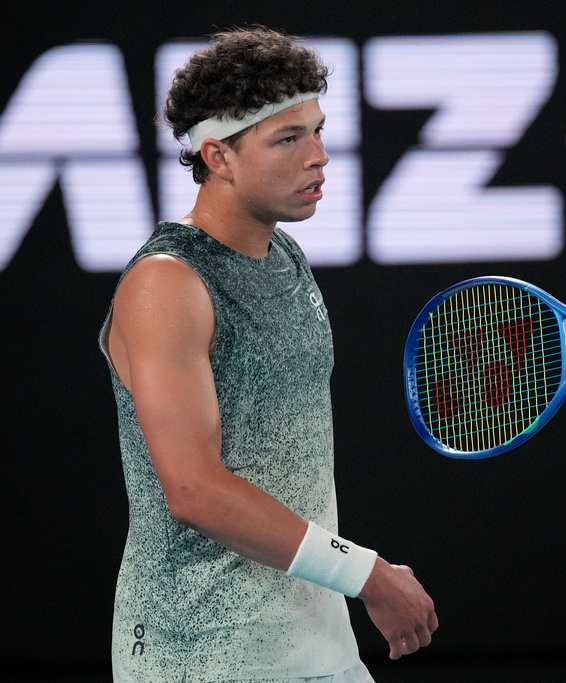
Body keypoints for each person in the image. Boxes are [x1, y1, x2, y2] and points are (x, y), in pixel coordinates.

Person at [98, 26, 437, 682]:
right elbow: (194, 488)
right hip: (197, 656)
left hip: (316, 649)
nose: (320, 156)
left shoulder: (283, 254)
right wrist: (364, 572)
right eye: (288, 138)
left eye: (318, 130)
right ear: (218, 155)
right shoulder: (166, 283)